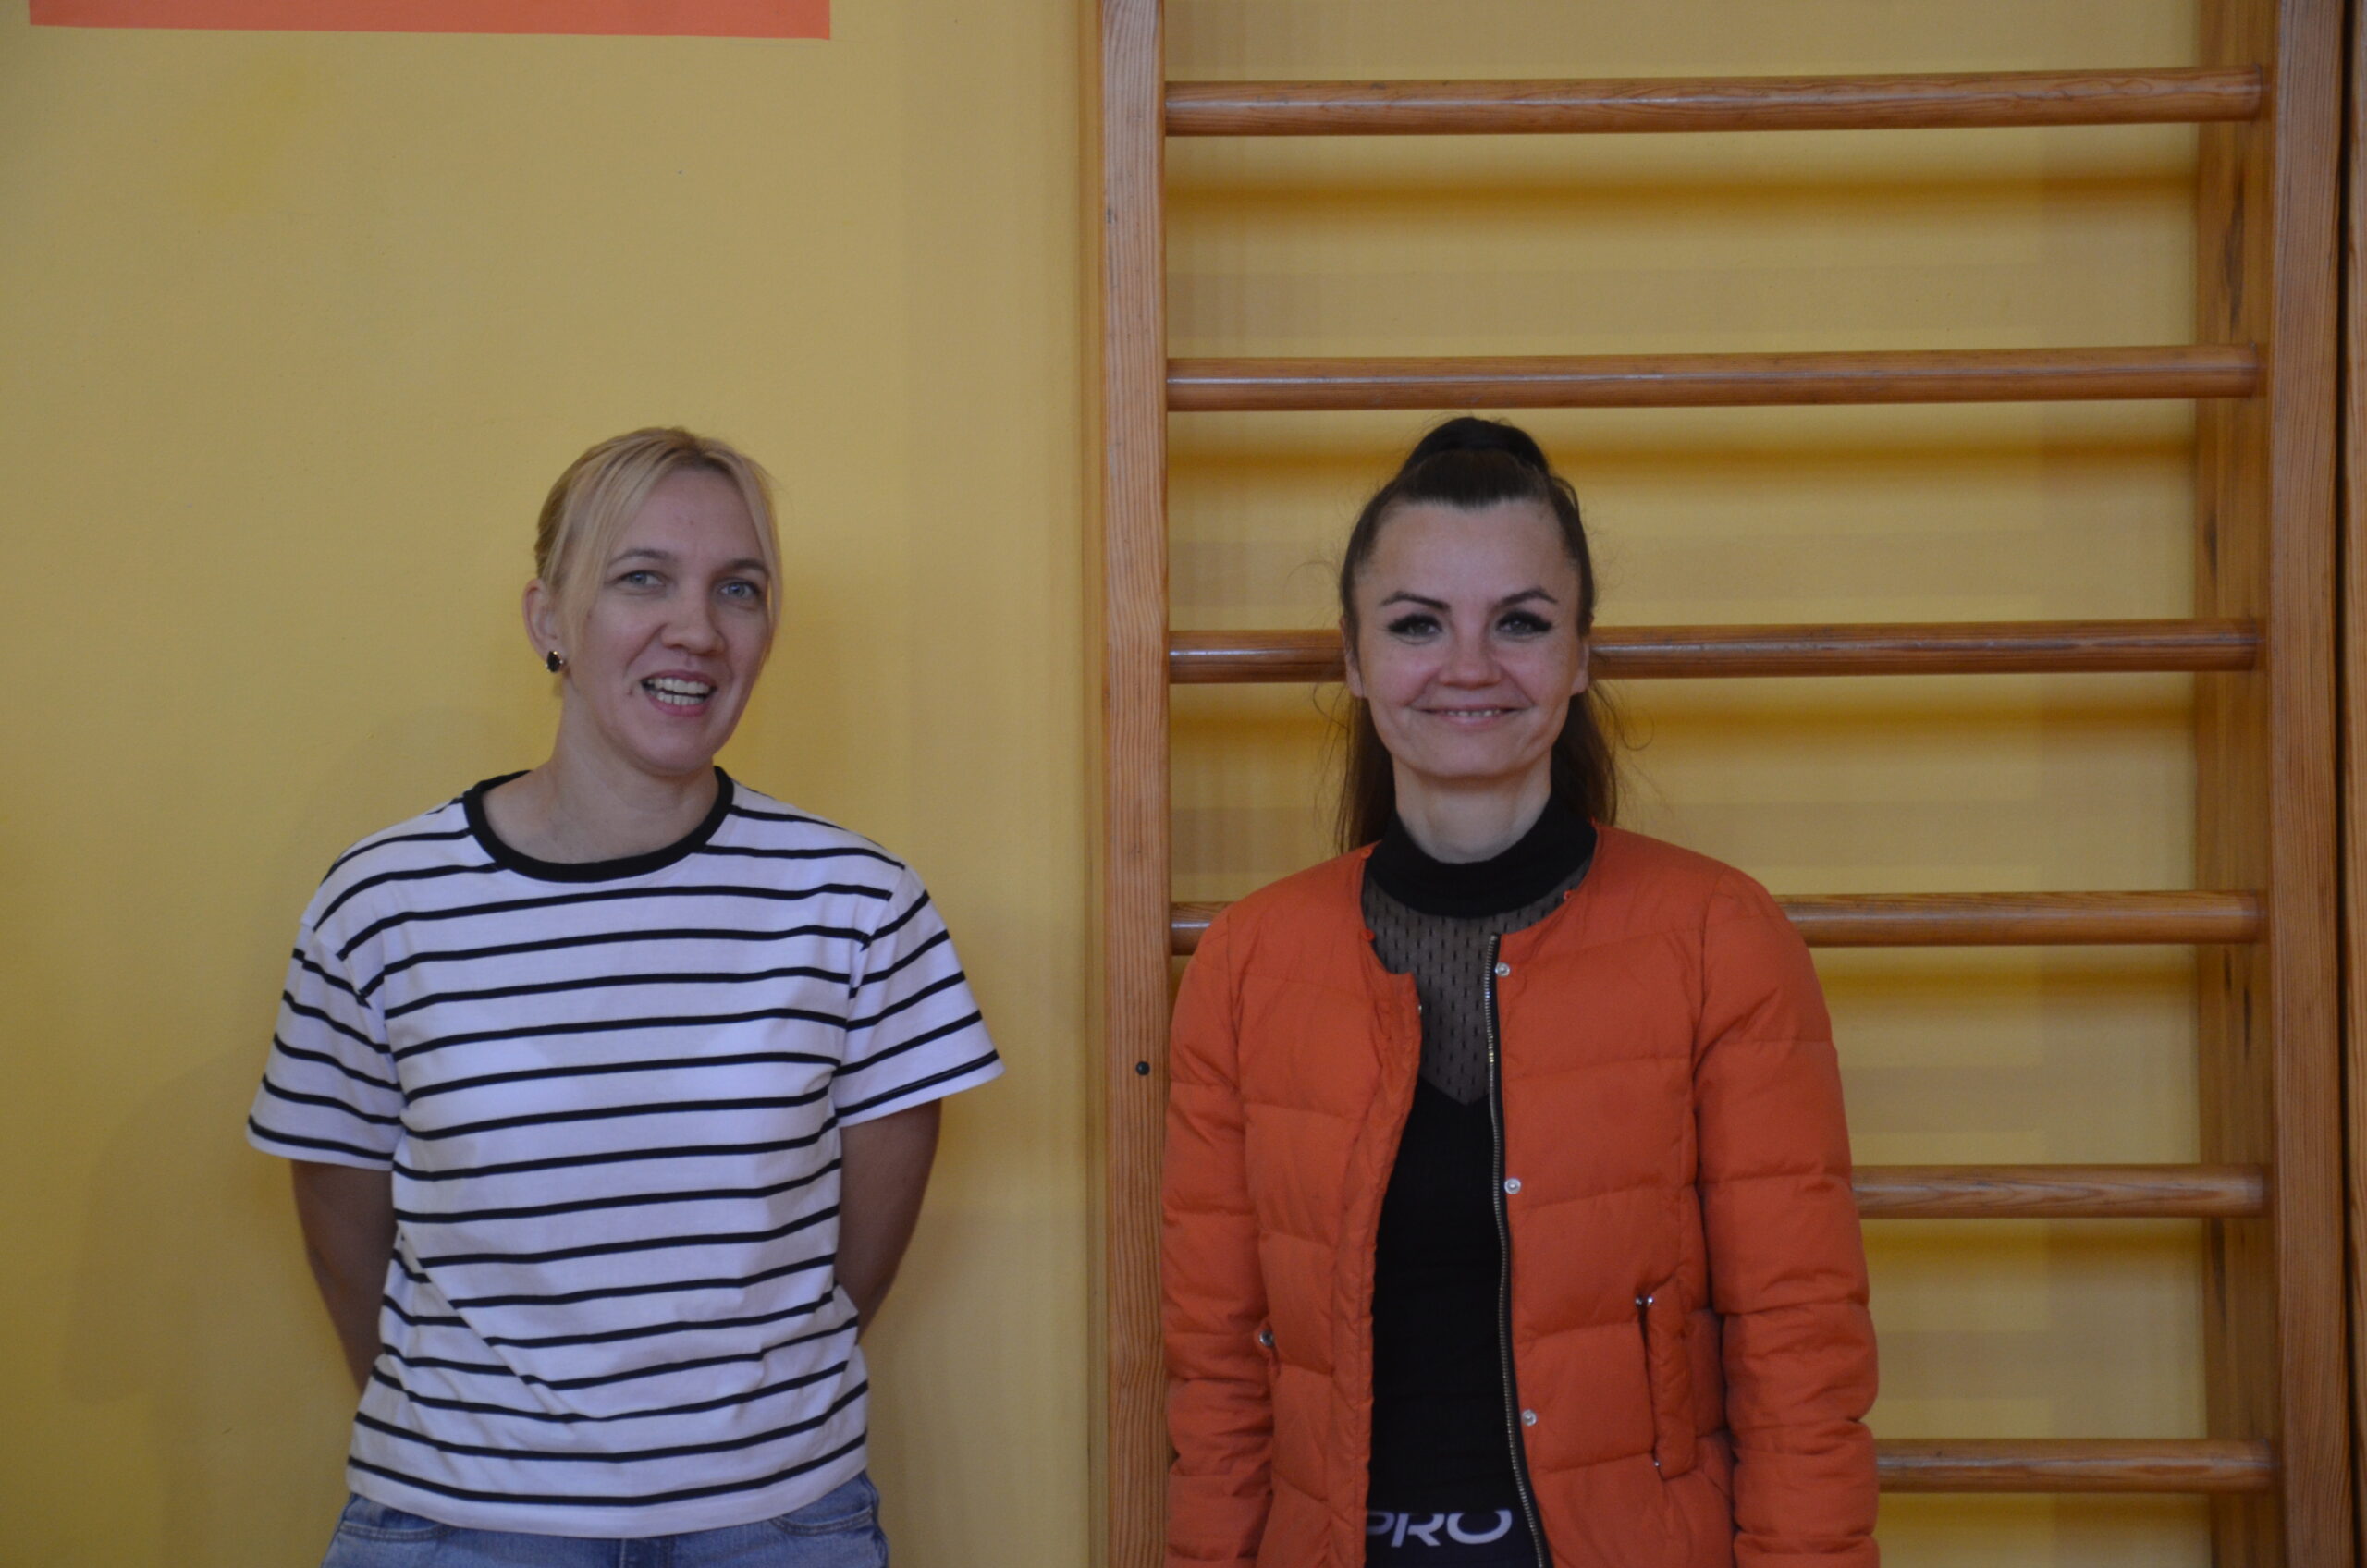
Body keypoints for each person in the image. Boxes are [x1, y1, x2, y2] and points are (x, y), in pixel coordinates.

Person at [247, 427, 1001, 1564]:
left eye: (738, 588)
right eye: (642, 577)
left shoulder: (858, 902)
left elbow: (859, 1258)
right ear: (548, 617)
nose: (696, 628)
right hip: (456, 1528)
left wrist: (733, 1427)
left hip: (778, 1527)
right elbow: (343, 1230)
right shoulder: (381, 902)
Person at [1160, 418, 1877, 1568]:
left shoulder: (1719, 938)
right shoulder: (1249, 961)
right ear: (1353, 658)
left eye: (1521, 622)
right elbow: (1215, 1370)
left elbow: (1800, 1352)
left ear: (1580, 654)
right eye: (1416, 624)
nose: (1469, 667)